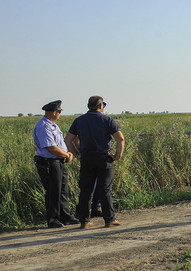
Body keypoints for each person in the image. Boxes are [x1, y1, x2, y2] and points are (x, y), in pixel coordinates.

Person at [65, 96, 125, 229]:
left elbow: (68, 140)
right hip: (104, 157)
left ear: (88, 106)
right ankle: (109, 219)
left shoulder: (79, 120)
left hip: (86, 158)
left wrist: (77, 154)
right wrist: (117, 155)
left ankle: (84, 221)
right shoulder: (107, 120)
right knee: (105, 189)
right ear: (100, 106)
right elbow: (120, 139)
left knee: (86, 190)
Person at [33, 100, 78, 228]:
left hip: (59, 161)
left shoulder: (54, 125)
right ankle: (53, 219)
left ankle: (65, 216)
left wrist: (66, 154)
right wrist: (67, 154)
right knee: (53, 191)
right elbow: (51, 147)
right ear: (53, 112)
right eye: (59, 112)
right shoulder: (43, 126)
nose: (59, 114)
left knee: (63, 190)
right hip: (49, 162)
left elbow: (59, 143)